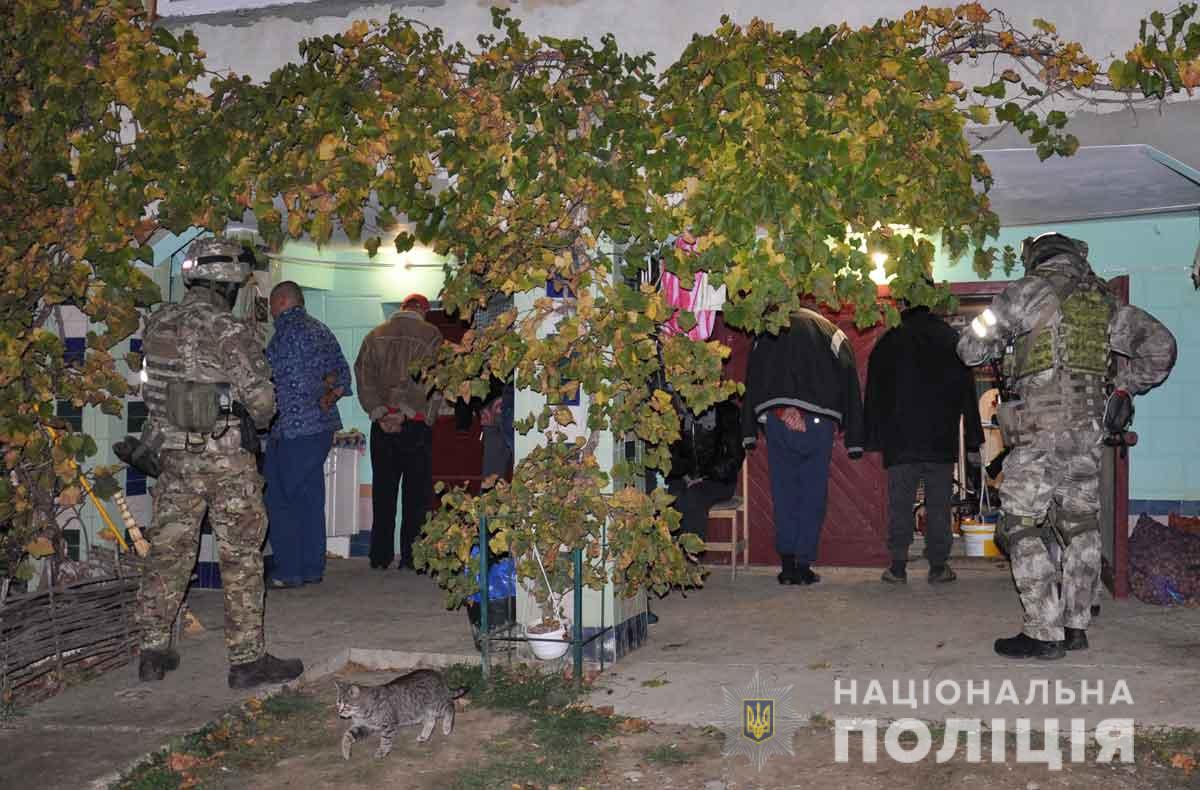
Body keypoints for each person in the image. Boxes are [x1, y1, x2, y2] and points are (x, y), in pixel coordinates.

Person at [958, 233, 1176, 659]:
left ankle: (1044, 631)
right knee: (1080, 523)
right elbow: (1161, 347)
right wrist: (1124, 389)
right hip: (1087, 432)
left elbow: (969, 349)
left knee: (1019, 523)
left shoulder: (1024, 292)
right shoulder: (1104, 302)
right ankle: (1076, 625)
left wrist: (996, 333)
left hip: (1039, 427)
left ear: (1035, 258)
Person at [136, 237, 303, 689]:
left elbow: (149, 392)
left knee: (168, 552)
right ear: (228, 283)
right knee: (241, 556)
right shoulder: (228, 329)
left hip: (175, 458)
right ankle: (246, 661)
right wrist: (253, 417)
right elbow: (262, 400)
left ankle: (152, 651)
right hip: (226, 458)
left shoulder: (158, 322)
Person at [865, 294, 984, 584]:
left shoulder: (889, 340)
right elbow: (968, 393)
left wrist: (872, 436)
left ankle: (897, 566)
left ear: (903, 303)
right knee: (939, 505)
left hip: (900, 439)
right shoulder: (950, 338)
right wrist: (972, 437)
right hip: (939, 438)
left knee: (900, 504)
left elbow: (874, 393)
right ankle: (938, 566)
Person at [743, 306, 865, 586]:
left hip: (777, 421)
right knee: (812, 495)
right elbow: (849, 377)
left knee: (783, 493)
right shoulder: (830, 331)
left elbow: (754, 376)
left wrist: (760, 424)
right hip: (817, 424)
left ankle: (787, 567)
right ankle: (803, 566)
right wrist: (855, 439)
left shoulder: (767, 330)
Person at [262, 281, 352, 588]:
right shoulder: (321, 330)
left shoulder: (285, 334)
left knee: (281, 499)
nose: (270, 311)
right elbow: (343, 376)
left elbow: (276, 381)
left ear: (282, 301)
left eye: (271, 304)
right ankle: (312, 568)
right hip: (322, 429)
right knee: (310, 499)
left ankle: (289, 571)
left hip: (293, 430)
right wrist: (327, 396)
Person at [355, 294, 445, 571]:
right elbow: (431, 380)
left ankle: (380, 556)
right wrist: (405, 411)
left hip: (382, 426)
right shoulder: (431, 334)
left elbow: (364, 377)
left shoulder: (374, 335)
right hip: (415, 423)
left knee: (383, 493)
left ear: (402, 308)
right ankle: (412, 558)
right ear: (423, 311)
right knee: (416, 496)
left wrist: (380, 411)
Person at [666, 398, 744, 543]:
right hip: (686, 478)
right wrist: (685, 476)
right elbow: (673, 456)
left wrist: (706, 476)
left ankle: (691, 551)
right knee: (670, 497)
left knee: (693, 497)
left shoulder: (727, 412)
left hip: (718, 480)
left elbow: (735, 457)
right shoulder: (679, 412)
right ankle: (671, 552)